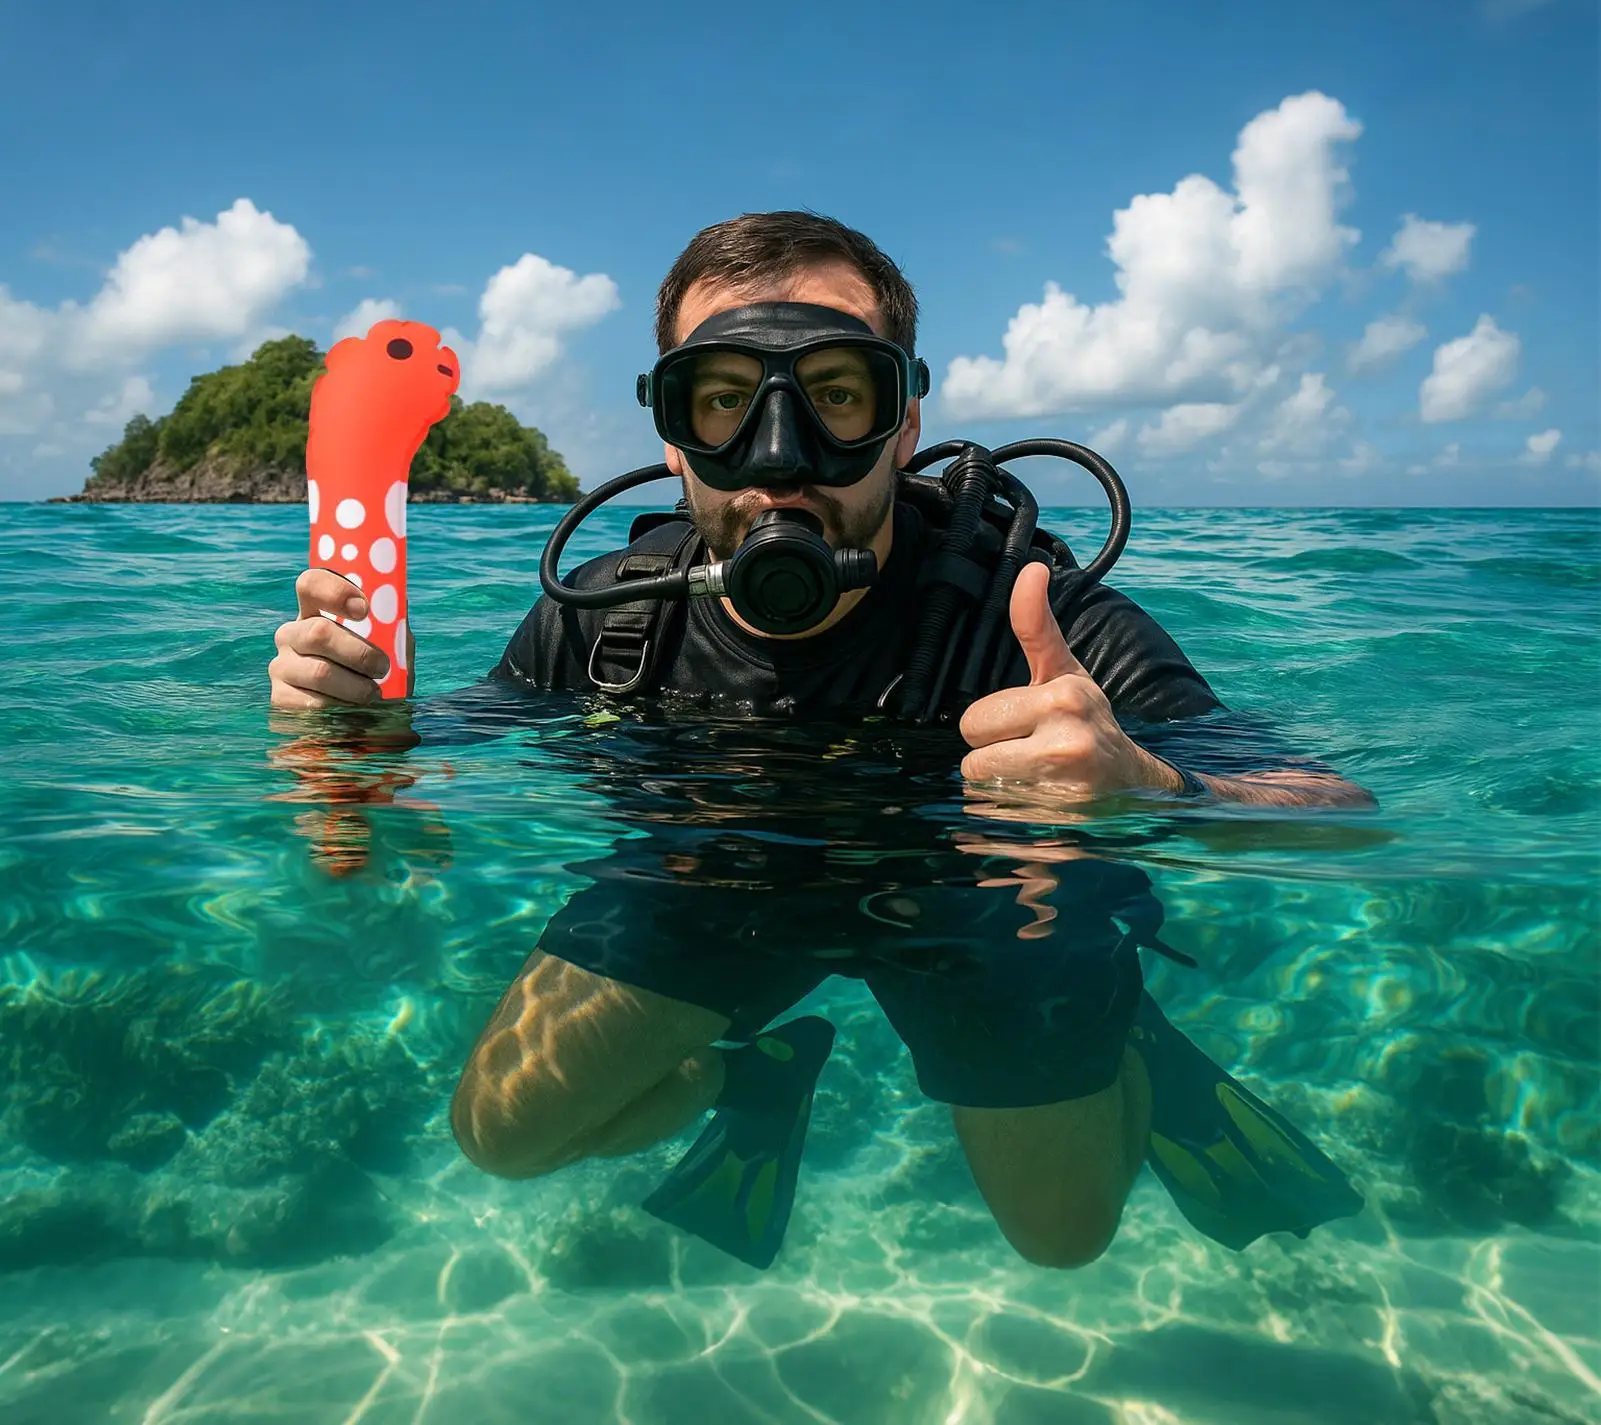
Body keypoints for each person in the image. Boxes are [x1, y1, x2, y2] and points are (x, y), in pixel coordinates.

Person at [267, 211, 1371, 1269]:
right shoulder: (610, 616)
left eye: (835, 393)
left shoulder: (1036, 615)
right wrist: (346, 735)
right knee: (500, 1133)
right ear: (671, 430)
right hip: (715, 883)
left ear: (903, 423)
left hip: (985, 918)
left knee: (1063, 1236)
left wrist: (1149, 783)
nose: (778, 460)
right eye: (725, 401)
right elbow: (422, 771)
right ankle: (755, 1072)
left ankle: (1127, 1034)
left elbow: (1331, 808)